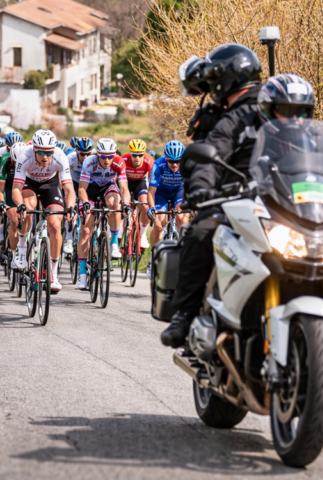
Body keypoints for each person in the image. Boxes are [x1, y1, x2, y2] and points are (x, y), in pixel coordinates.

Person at [161, 43, 265, 347]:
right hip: (230, 198)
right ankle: (186, 313)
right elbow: (206, 156)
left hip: (276, 198)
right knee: (202, 231)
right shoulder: (224, 117)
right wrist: (202, 191)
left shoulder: (273, 107)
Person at [11, 129, 76, 293]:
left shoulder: (60, 157)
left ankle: (53, 273)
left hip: (51, 185)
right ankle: (21, 246)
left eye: (48, 152)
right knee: (28, 207)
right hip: (30, 184)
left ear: (54, 150)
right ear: (34, 149)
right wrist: (20, 205)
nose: (45, 156)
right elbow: (16, 189)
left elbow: (69, 189)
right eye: (41, 152)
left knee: (55, 225)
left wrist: (71, 208)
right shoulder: (24, 156)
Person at [76, 138, 129, 289]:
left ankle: (113, 244)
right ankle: (82, 273)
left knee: (115, 204)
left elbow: (124, 188)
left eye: (110, 156)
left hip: (107, 188)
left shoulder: (119, 162)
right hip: (90, 192)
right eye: (104, 157)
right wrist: (86, 203)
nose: (107, 160)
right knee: (86, 231)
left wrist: (126, 203)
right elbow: (81, 189)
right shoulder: (89, 162)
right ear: (97, 154)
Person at [145, 141, 188, 278]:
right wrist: (151, 208)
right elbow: (151, 191)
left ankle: (184, 254)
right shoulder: (158, 164)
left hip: (179, 192)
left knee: (182, 217)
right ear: (165, 158)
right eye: (171, 161)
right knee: (158, 224)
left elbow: (191, 187)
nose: (174, 164)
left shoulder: (188, 165)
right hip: (161, 194)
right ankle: (153, 257)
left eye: (178, 161)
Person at [0, 141, 28, 264]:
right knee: (14, 219)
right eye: (15, 162)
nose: (18, 165)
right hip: (9, 187)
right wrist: (2, 202)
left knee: (29, 215)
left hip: (24, 187)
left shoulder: (30, 160)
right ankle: (14, 255)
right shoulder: (5, 160)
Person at [122, 139, 156, 250]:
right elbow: (116, 178)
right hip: (125, 183)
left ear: (144, 153)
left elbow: (152, 183)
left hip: (139, 184)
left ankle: (142, 234)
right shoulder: (124, 159)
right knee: (119, 204)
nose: (137, 158)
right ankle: (118, 229)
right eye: (134, 155)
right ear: (130, 154)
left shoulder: (149, 161)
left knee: (145, 204)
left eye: (140, 155)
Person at [63, 136, 94, 254]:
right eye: (82, 154)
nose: (85, 157)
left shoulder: (95, 159)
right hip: (73, 183)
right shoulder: (69, 159)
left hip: (88, 185)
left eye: (88, 154)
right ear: (76, 152)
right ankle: (69, 240)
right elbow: (62, 176)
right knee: (70, 210)